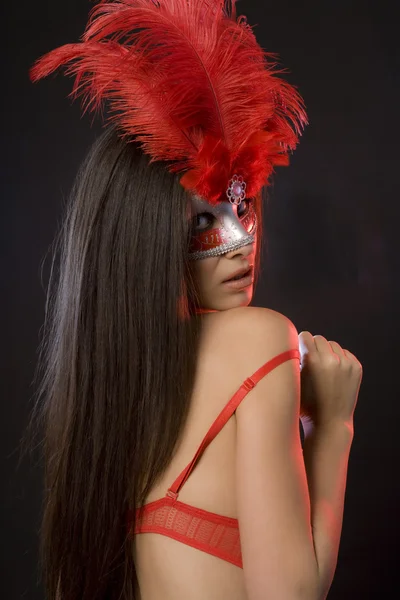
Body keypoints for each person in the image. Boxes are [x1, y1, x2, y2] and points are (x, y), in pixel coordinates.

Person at [23, 2, 363, 599]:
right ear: (143, 242)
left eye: (242, 203)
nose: (240, 241)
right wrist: (333, 427)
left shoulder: (106, 416)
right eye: (202, 221)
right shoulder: (259, 340)